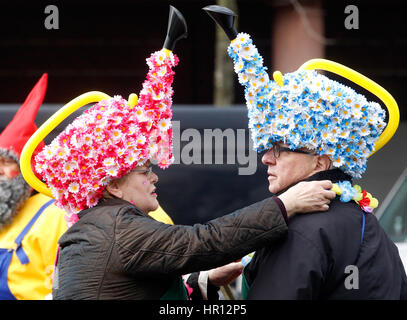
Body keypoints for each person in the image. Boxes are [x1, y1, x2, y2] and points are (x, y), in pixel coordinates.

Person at [26, 6, 335, 300]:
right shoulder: (120, 228)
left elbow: (135, 284)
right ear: (112, 184)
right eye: (144, 169)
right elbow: (204, 241)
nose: (154, 176)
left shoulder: (102, 225)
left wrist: (202, 280)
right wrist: (285, 205)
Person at [204, 5, 407, 299]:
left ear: (321, 160)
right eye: (265, 147)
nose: (266, 158)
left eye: (281, 148)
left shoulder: (301, 230)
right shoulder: (369, 224)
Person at [0, 74, 68, 300]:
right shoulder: (4, 214)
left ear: (28, 171)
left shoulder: (56, 213)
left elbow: (66, 284)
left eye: (7, 162)